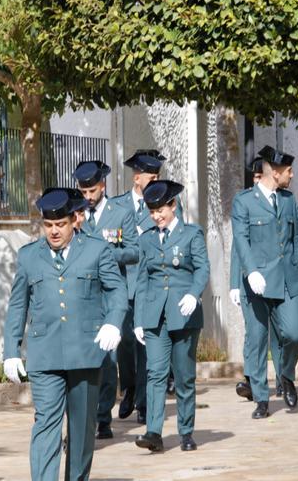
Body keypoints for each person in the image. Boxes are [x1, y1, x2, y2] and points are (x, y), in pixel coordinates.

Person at [3, 188, 127, 480]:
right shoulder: (29, 256)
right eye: (48, 225)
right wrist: (10, 351)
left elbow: (117, 290)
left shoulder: (97, 249)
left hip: (85, 352)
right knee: (46, 423)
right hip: (44, 354)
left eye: (60, 224)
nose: (54, 231)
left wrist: (113, 322)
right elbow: (17, 305)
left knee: (82, 430)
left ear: (75, 220)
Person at [231, 145, 298, 419]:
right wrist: (249, 271)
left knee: (294, 333)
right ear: (276, 172)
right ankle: (261, 398)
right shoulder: (243, 202)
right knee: (257, 340)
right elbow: (241, 241)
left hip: (287, 279)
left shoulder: (289, 200)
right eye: (289, 171)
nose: (292, 175)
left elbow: (297, 241)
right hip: (256, 284)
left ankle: (286, 375)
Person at [133, 180, 210, 452]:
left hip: (184, 314)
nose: (156, 216)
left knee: (184, 375)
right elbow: (142, 280)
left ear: (173, 206)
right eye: (152, 211)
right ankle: (153, 432)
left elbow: (202, 269)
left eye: (160, 210)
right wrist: (138, 320)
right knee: (155, 372)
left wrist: (193, 293)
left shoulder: (191, 234)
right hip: (155, 316)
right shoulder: (146, 239)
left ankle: (186, 432)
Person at [73, 160, 140, 439]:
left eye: (92, 190)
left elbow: (134, 251)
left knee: (109, 359)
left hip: (111, 295)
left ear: (103, 186)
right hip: (84, 296)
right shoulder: (74, 214)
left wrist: (103, 256)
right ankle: (83, 417)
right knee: (85, 358)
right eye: (83, 191)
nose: (88, 197)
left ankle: (103, 418)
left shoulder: (121, 213)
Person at [110, 150, 175, 422]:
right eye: (153, 175)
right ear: (137, 177)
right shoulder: (117, 206)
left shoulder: (164, 203)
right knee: (124, 340)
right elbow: (112, 244)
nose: (157, 179)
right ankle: (130, 386)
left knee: (146, 342)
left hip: (150, 284)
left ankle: (143, 401)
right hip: (124, 283)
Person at [231, 156, 284, 400]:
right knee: (255, 333)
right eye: (253, 178)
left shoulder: (282, 203)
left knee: (281, 333)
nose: (256, 182)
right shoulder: (244, 205)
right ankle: (252, 379)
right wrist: (234, 283)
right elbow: (238, 249)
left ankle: (283, 377)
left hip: (277, 277)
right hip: (251, 279)